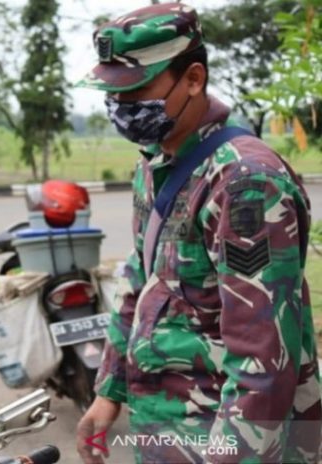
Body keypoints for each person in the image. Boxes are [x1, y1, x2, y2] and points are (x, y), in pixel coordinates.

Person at [74, 3, 321, 463]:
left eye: (138, 90)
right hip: (165, 428)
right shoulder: (155, 164)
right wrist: (109, 392)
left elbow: (264, 362)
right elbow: (141, 279)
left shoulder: (246, 183)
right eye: (114, 93)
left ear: (193, 78)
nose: (123, 107)